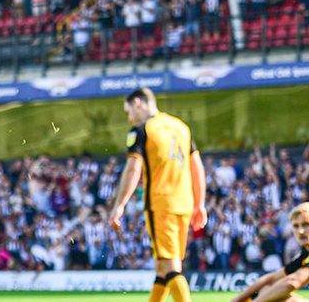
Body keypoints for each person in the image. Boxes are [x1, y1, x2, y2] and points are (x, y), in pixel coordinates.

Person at [108, 87, 207, 302]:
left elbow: (133, 168)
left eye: (128, 112)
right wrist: (200, 204)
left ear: (138, 103)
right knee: (163, 269)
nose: (129, 118)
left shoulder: (142, 130)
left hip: (161, 204)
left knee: (172, 267)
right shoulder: (180, 127)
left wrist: (119, 204)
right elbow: (196, 165)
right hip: (184, 204)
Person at [231, 202, 309, 302]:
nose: (300, 231)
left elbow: (292, 282)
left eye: (306, 225)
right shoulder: (305, 253)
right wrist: (237, 299)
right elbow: (272, 278)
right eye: (296, 226)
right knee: (268, 290)